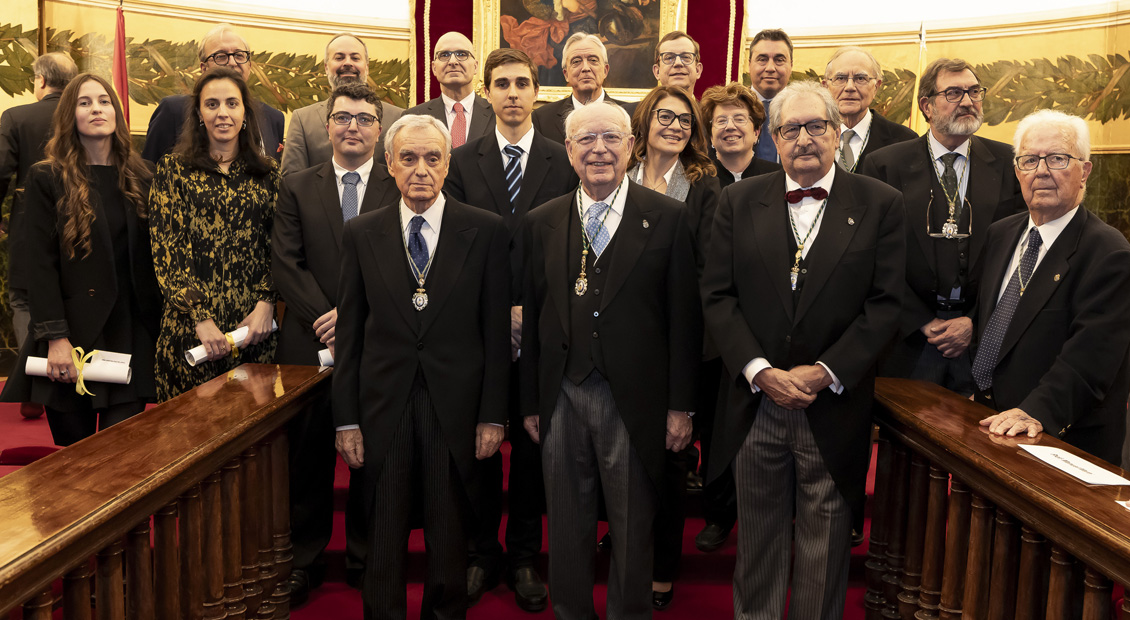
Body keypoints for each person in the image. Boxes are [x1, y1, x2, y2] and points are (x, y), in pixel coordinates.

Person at [701, 81, 905, 619]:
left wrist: (823, 372)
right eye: (791, 128)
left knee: (825, 545)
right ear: (774, 138)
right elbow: (717, 296)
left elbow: (886, 305)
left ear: (837, 134)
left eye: (817, 126)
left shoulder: (881, 204)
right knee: (759, 544)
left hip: (833, 405)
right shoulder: (737, 201)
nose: (805, 138)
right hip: (756, 404)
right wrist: (759, 370)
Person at [521, 101, 701, 620]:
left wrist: (680, 407)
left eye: (611, 139)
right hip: (561, 396)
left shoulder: (668, 217)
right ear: (569, 151)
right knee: (568, 526)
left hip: (636, 400)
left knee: (631, 526)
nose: (599, 150)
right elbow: (534, 320)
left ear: (629, 147)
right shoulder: (542, 222)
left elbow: (685, 320)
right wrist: (530, 402)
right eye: (586, 140)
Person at [333, 113, 510, 619]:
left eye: (433, 158)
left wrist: (492, 415)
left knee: (448, 534)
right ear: (388, 164)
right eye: (408, 158)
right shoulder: (361, 233)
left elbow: (496, 336)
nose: (420, 170)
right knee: (383, 533)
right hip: (383, 407)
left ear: (447, 162)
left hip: (455, 409)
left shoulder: (485, 231)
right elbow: (350, 336)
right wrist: (345, 419)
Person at [443, 47, 576, 612]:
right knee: (477, 445)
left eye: (524, 82)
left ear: (537, 92)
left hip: (547, 329)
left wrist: (529, 312)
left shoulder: (563, 158)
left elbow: (573, 246)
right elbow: (453, 247)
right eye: (502, 84)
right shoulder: (461, 160)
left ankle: (522, 556)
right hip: (478, 329)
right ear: (487, 91)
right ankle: (480, 553)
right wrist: (501, 313)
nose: (514, 93)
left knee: (529, 450)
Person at [272, 82, 399, 606]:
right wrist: (328, 316)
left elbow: (403, 262)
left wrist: (354, 318)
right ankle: (305, 559)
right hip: (310, 341)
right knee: (308, 457)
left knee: (371, 456)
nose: (354, 126)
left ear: (379, 128)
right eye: (344, 117)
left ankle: (366, 557)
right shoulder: (298, 186)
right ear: (326, 125)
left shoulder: (399, 185)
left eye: (365, 118)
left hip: (377, 343)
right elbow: (286, 262)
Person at [0, 73, 161, 446]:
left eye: (104, 101)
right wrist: (55, 337)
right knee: (74, 462)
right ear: (69, 114)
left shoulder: (145, 175)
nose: (96, 109)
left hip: (130, 332)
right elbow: (39, 265)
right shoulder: (46, 176)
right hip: (71, 338)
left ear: (117, 112)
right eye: (84, 102)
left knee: (118, 455)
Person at [972, 109, 1130, 466]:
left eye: (1057, 158)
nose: (1041, 170)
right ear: (1017, 172)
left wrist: (1032, 412)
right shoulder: (1001, 234)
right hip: (990, 431)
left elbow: (1090, 361)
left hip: (1059, 443)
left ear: (1084, 171)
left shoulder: (1109, 253)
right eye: (1029, 160)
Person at [861, 58, 1024, 396]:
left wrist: (974, 322)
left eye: (973, 91)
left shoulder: (1011, 164)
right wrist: (920, 320)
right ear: (927, 106)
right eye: (953, 93)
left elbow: (1019, 256)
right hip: (908, 340)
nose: (967, 101)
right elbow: (872, 256)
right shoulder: (885, 165)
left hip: (980, 339)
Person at [625, 84, 720, 609]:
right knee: (621, 455)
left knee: (669, 461)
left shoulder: (705, 186)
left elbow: (708, 271)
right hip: (622, 340)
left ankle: (662, 569)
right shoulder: (621, 172)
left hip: (679, 343)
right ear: (645, 120)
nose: (676, 126)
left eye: (686, 121)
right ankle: (624, 538)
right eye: (665, 116)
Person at [149, 67, 279, 401]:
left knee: (251, 442)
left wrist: (267, 302)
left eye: (232, 103)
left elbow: (280, 245)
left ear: (245, 113)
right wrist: (200, 319)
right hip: (190, 332)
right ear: (198, 114)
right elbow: (168, 250)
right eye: (212, 104)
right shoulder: (173, 169)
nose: (223, 113)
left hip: (253, 331)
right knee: (189, 439)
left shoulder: (267, 173)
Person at [0, 51, 77, 420]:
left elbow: (0, 172)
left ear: (40, 81)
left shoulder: (16, 116)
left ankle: (33, 383)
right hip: (81, 222)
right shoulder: (84, 113)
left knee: (24, 299)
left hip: (29, 222)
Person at [142, 23, 285, 164]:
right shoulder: (173, 110)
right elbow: (149, 173)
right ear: (204, 68)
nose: (232, 62)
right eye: (221, 56)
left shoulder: (273, 118)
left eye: (239, 55)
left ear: (249, 65)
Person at [280, 32, 403, 175]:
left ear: (367, 67)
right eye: (339, 57)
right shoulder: (302, 119)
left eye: (355, 58)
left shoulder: (397, 117)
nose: (348, 63)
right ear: (326, 67)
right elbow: (292, 181)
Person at [820, 46, 916, 172]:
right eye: (840, 78)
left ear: (876, 87)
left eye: (860, 78)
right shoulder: (811, 137)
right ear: (826, 87)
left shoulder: (905, 141)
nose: (850, 87)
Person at [531, 32, 634, 144]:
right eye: (576, 61)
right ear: (566, 74)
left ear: (605, 70)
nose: (585, 68)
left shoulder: (630, 115)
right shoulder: (542, 119)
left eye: (593, 60)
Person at [403, 32, 494, 148]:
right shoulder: (413, 117)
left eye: (461, 54)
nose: (453, 61)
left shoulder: (496, 114)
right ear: (434, 68)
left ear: (475, 66)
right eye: (444, 55)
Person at [700, 82, 781, 190]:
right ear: (711, 136)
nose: (730, 126)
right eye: (721, 121)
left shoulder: (779, 178)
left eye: (739, 119)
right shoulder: (697, 180)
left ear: (756, 132)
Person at [748, 29, 794, 164]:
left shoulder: (806, 109)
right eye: (762, 59)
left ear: (791, 65)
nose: (770, 68)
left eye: (779, 60)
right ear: (749, 64)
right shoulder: (731, 106)